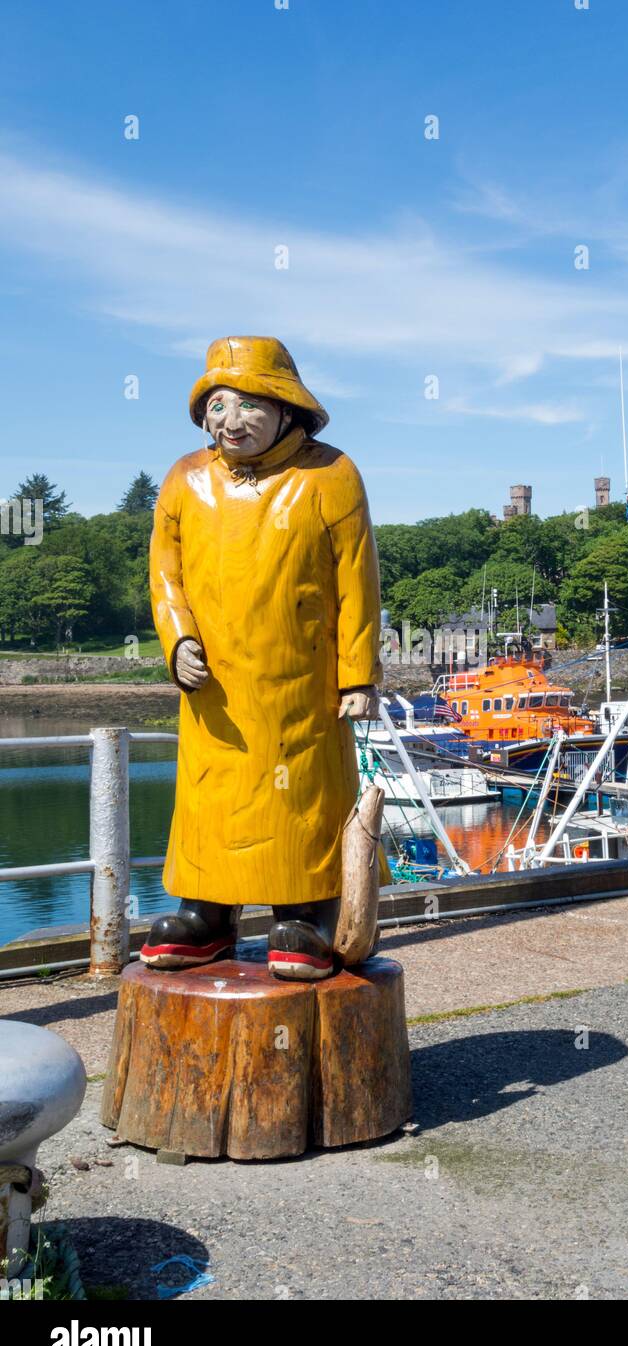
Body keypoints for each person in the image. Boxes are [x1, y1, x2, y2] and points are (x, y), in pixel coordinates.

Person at [143, 336, 382, 980]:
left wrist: (358, 673)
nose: (229, 421)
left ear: (285, 408)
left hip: (303, 684)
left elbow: (357, 579)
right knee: (209, 795)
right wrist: (178, 641)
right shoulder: (185, 479)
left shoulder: (330, 475)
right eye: (217, 405)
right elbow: (166, 573)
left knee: (300, 796)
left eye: (248, 404)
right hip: (214, 689)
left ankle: (302, 914)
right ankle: (207, 913)